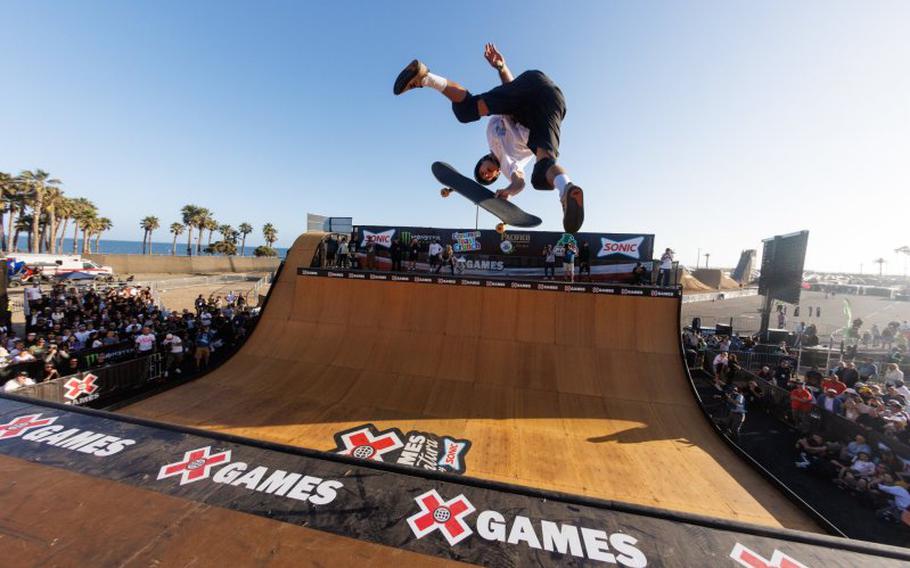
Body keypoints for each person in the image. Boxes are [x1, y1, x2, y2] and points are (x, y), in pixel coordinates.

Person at [394, 43, 585, 232]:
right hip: (549, 101)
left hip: (533, 87)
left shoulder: (490, 131)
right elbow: (519, 182)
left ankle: (426, 78)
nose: (485, 174)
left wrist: (502, 70)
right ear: (496, 175)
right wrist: (502, 67)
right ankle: (566, 189)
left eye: (481, 172)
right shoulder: (509, 166)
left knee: (468, 109)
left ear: (482, 161)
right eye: (487, 177)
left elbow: (512, 96)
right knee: (542, 170)